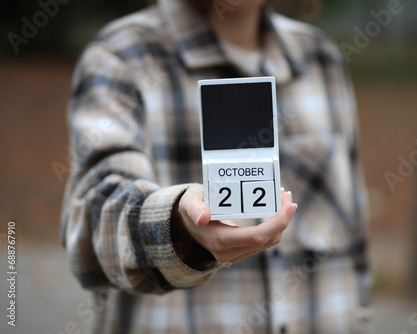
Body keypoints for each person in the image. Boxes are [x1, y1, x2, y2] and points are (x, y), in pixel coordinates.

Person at [61, 0, 371, 333]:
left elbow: (355, 238)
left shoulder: (320, 57)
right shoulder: (121, 57)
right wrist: (176, 225)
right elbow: (92, 228)